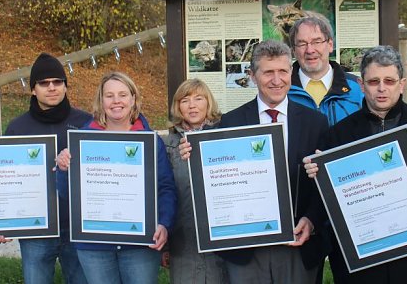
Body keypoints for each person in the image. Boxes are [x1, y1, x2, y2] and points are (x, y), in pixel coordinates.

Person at [302, 45, 407, 284]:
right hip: (361, 261)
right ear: (361, 85)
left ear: (402, 84)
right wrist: (316, 174)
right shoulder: (337, 135)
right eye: (373, 81)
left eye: (389, 80)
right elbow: (323, 201)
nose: (381, 88)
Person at [179, 40, 330, 284]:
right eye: (268, 72)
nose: (277, 80)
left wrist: (311, 220)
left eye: (283, 71)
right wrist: (193, 155)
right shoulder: (230, 122)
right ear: (252, 75)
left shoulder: (316, 122)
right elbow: (217, 177)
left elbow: (323, 182)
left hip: (297, 244)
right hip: (245, 249)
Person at [56, 71, 177, 284]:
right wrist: (64, 169)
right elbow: (68, 196)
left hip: (140, 245)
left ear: (133, 99)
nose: (116, 101)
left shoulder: (150, 141)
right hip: (94, 246)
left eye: (122, 94)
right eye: (109, 95)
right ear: (101, 101)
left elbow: (165, 187)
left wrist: (164, 224)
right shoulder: (83, 142)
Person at [2, 53, 92, 284]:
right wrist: (1, 220)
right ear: (33, 89)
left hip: (77, 227)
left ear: (65, 86)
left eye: (57, 82)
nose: (51, 88)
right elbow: (5, 180)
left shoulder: (86, 123)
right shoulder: (17, 128)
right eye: (44, 83)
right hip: (36, 231)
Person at [161, 79, 228, 283]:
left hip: (222, 238)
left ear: (209, 103)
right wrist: (165, 245)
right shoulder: (166, 145)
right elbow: (163, 193)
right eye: (185, 100)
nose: (192, 105)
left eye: (199, 98)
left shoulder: (225, 137)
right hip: (183, 241)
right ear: (177, 106)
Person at [287, 17, 363, 126]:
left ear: (330, 45)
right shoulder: (283, 90)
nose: (310, 50)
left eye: (317, 42)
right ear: (294, 50)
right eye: (302, 44)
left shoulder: (357, 88)